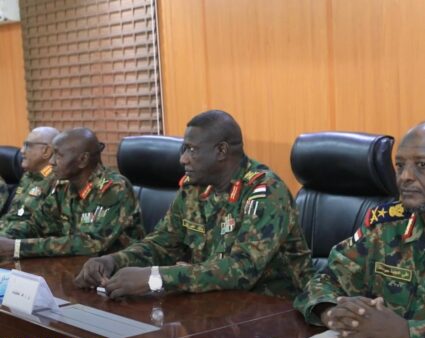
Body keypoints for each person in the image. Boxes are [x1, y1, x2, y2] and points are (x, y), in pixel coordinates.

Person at [75, 110, 312, 299]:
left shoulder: (265, 192)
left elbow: (241, 270)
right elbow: (162, 244)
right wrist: (113, 260)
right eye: (183, 149)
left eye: (191, 149)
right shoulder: (194, 187)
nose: (182, 159)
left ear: (221, 151)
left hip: (274, 312)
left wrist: (157, 278)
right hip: (215, 306)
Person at [294, 121, 425, 338]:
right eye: (399, 165)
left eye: (422, 165)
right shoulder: (386, 226)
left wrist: (408, 333)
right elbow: (324, 280)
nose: (405, 176)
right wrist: (332, 312)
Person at [0, 127, 144, 258]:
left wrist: (18, 247)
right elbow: (36, 225)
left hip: (114, 270)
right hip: (71, 265)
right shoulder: (63, 186)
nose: (51, 162)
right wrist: (6, 237)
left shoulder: (113, 188)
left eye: (58, 156)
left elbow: (91, 243)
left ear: (83, 160)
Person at [0, 126, 59, 230]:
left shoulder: (57, 182)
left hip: (22, 236)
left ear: (46, 151)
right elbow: (13, 215)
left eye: (28, 145)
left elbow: (41, 227)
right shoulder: (27, 176)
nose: (22, 151)